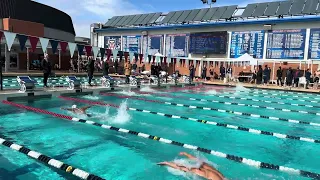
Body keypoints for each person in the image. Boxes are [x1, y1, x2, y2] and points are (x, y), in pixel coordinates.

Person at [158, 152, 224, 180]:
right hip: (204, 173)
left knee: (201, 162)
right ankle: (167, 163)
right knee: (183, 169)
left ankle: (186, 154)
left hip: (209, 169)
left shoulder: (223, 176)